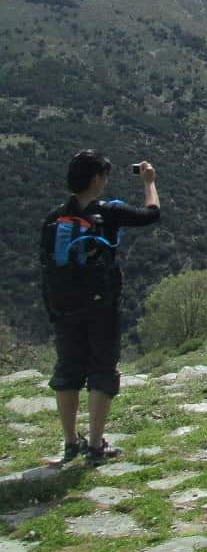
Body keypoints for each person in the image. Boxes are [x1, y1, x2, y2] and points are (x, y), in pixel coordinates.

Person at [40, 150, 161, 466]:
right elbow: (151, 214)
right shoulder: (109, 213)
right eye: (104, 175)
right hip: (100, 305)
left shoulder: (54, 218)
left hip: (63, 306)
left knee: (68, 369)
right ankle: (95, 445)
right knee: (102, 369)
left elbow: (46, 265)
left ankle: (70, 442)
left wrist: (52, 307)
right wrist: (149, 182)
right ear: (96, 179)